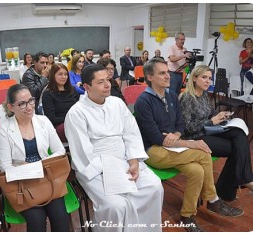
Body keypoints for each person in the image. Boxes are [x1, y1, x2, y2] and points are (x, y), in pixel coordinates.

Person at [134, 58, 243, 232]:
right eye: (162, 73)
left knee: (197, 171)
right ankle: (213, 199)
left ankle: (187, 215)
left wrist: (176, 135)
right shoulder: (144, 101)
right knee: (202, 152)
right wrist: (187, 143)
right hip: (153, 151)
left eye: (167, 71)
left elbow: (180, 124)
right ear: (149, 77)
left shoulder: (170, 95)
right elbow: (154, 137)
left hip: (172, 145)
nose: (167, 76)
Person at [64, 64, 164, 232]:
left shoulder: (117, 103)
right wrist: (112, 171)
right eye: (100, 82)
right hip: (96, 167)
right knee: (115, 205)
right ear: (87, 87)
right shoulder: (76, 113)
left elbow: (131, 134)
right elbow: (83, 152)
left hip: (125, 160)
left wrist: (133, 161)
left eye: (108, 80)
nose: (107, 85)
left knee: (154, 187)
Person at [0, 84, 69, 232]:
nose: (29, 107)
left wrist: (34, 166)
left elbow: (60, 151)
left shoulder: (43, 121)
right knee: (36, 220)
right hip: (22, 184)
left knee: (60, 216)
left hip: (47, 179)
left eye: (31, 101)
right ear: (11, 107)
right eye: (22, 104)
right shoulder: (5, 129)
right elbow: (5, 167)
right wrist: (29, 170)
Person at [179, 64, 253, 201]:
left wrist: (221, 115)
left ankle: (245, 179)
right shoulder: (187, 97)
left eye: (210, 78)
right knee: (236, 149)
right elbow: (187, 128)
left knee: (239, 134)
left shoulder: (203, 96)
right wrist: (211, 122)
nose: (208, 81)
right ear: (194, 78)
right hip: (196, 137)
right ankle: (233, 186)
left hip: (210, 130)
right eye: (204, 77)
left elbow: (211, 113)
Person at [42, 63, 79, 142]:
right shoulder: (48, 94)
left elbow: (79, 109)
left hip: (76, 123)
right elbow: (51, 118)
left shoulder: (73, 90)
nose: (64, 77)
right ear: (53, 76)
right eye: (60, 74)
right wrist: (69, 119)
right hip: (60, 126)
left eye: (66, 74)